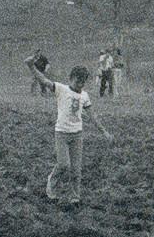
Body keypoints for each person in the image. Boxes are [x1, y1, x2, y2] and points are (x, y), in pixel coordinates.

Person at [27, 57, 110, 206]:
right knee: (64, 164)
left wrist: (104, 131)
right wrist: (31, 66)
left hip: (77, 134)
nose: (80, 85)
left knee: (76, 170)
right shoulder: (61, 89)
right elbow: (44, 80)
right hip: (62, 133)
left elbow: (92, 116)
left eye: (83, 83)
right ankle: (51, 185)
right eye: (78, 81)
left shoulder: (84, 96)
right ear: (71, 79)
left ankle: (75, 197)